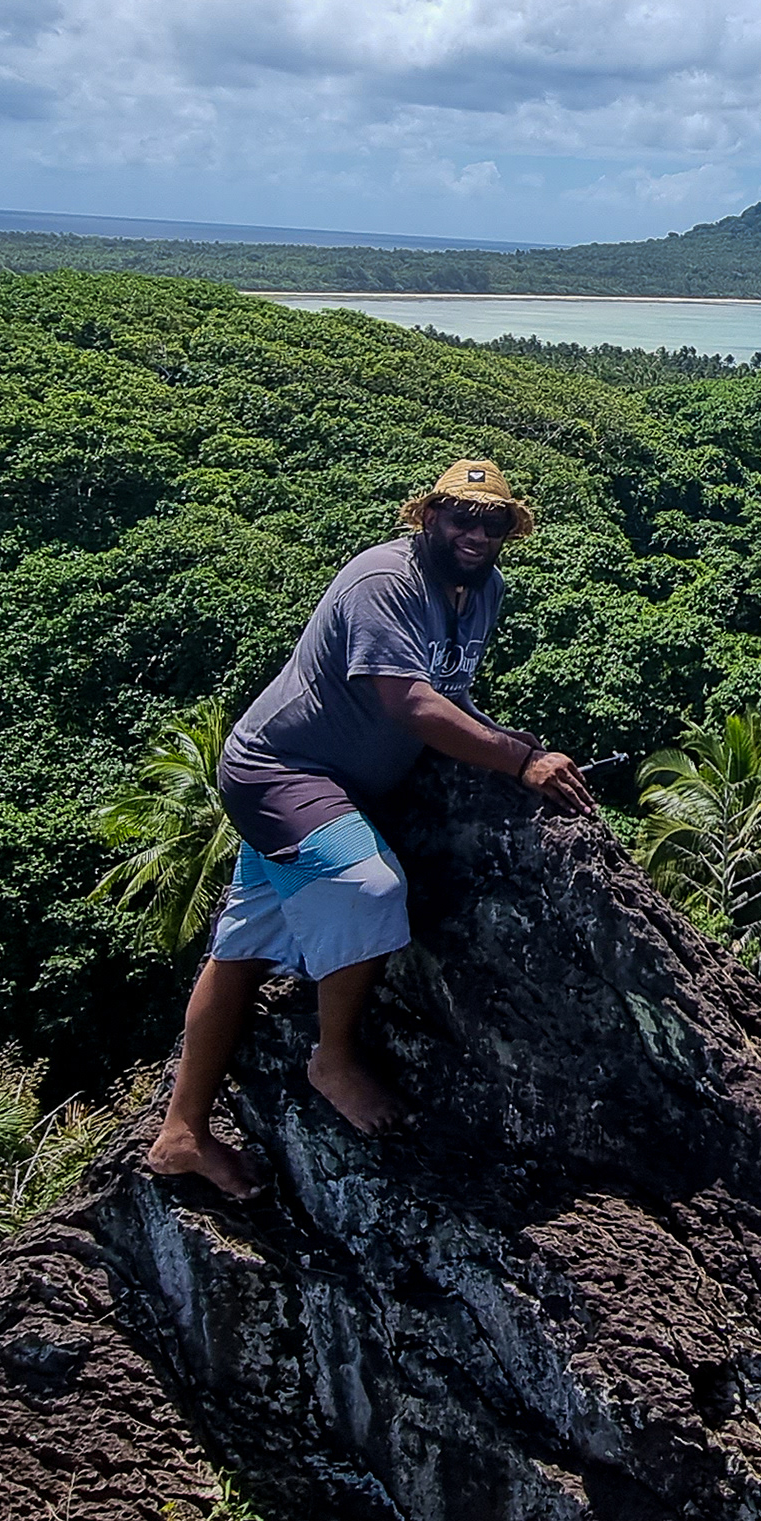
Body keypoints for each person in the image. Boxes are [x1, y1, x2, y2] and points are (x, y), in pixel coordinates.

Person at [144, 458, 595, 1195]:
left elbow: (453, 692)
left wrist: (522, 748)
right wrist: (520, 762)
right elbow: (409, 704)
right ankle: (334, 1060)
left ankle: (180, 1134)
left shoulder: (482, 592)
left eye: (492, 524)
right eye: (461, 519)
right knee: (370, 885)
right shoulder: (383, 582)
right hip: (281, 772)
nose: (477, 535)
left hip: (339, 783)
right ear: (428, 519)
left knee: (246, 946)